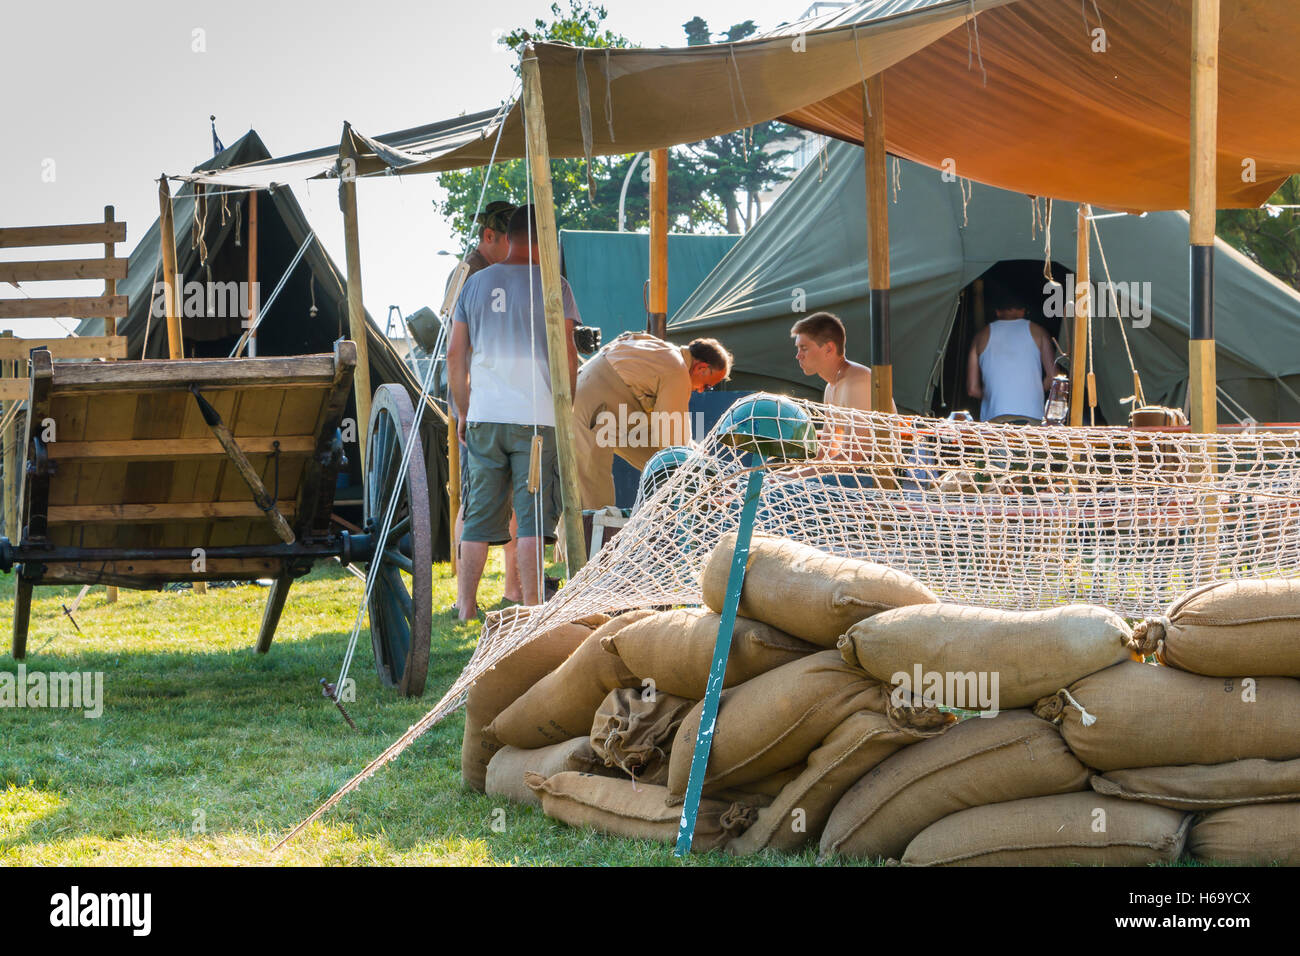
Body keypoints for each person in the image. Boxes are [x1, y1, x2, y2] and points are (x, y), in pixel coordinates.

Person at [447, 204, 579, 621]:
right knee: (531, 517)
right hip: (537, 418)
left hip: (485, 415)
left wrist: (464, 410)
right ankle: (532, 607)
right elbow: (569, 355)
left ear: (509, 237)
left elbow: (455, 354)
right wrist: (565, 408)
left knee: (477, 519)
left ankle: (465, 608)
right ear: (544, 237)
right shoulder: (554, 285)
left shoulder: (475, 283)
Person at [445, 201, 523, 604]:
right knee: (478, 500)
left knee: (513, 500)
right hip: (478, 402)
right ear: (489, 237)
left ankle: (512, 590)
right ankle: (466, 600)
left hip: (506, 400)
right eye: (507, 240)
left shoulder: (510, 273)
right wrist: (465, 407)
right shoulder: (467, 275)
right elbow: (458, 348)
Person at [572, 331, 731, 510]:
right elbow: (672, 444)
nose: (702, 391)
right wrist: (704, 478)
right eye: (707, 386)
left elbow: (662, 439)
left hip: (603, 404)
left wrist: (704, 467)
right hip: (593, 407)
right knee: (593, 495)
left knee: (664, 465)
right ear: (701, 368)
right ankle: (586, 537)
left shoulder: (664, 353)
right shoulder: (676, 371)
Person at [791, 311, 896, 469]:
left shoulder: (857, 381)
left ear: (829, 349)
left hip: (876, 476)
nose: (798, 356)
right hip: (855, 476)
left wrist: (794, 477)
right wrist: (785, 475)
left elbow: (852, 457)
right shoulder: (830, 387)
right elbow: (824, 453)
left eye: (804, 348)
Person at [966, 290, 1057, 422]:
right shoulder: (1039, 332)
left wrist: (996, 396)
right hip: (1032, 417)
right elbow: (1053, 377)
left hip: (994, 418)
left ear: (997, 311)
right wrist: (1033, 393)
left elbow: (972, 389)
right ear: (1023, 311)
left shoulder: (980, 336)